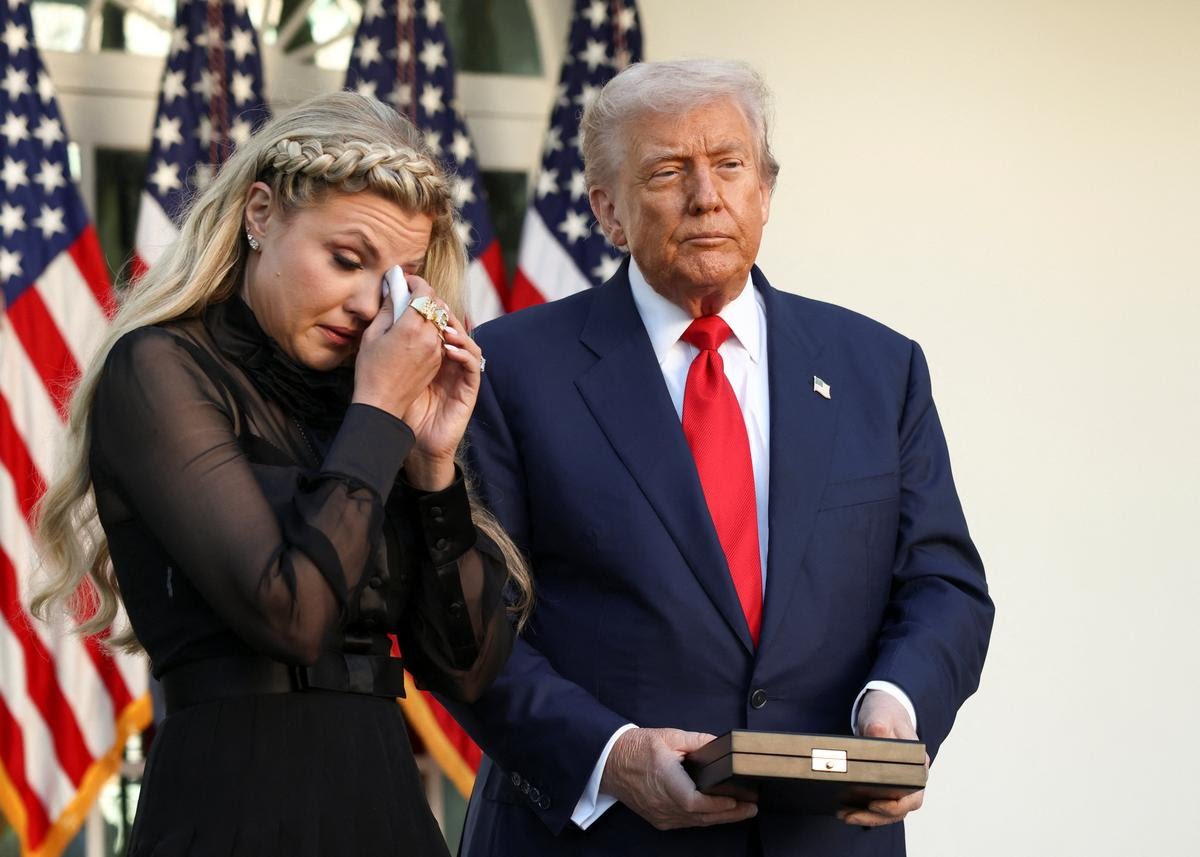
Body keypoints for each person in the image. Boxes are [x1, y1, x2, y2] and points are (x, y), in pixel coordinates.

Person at [446, 60, 994, 857]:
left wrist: (897, 704)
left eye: (730, 165)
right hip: (600, 838)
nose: (707, 196)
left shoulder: (880, 367)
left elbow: (944, 585)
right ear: (607, 210)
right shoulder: (509, 371)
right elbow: (465, 627)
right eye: (668, 171)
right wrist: (612, 756)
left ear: (765, 191)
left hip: (824, 837)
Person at [32, 91, 529, 857]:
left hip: (390, 815)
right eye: (346, 259)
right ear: (259, 214)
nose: (366, 304)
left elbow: (465, 668)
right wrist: (379, 411)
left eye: (396, 279)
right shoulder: (160, 369)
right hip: (229, 812)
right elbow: (291, 615)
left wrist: (433, 466)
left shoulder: (366, 403)